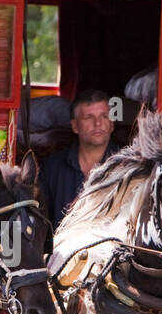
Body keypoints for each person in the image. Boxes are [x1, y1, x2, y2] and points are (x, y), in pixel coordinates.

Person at [38, 88, 120, 226]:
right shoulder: (52, 168)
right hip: (62, 246)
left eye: (104, 116)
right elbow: (40, 223)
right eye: (89, 117)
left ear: (112, 124)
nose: (98, 123)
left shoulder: (127, 167)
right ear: (75, 126)